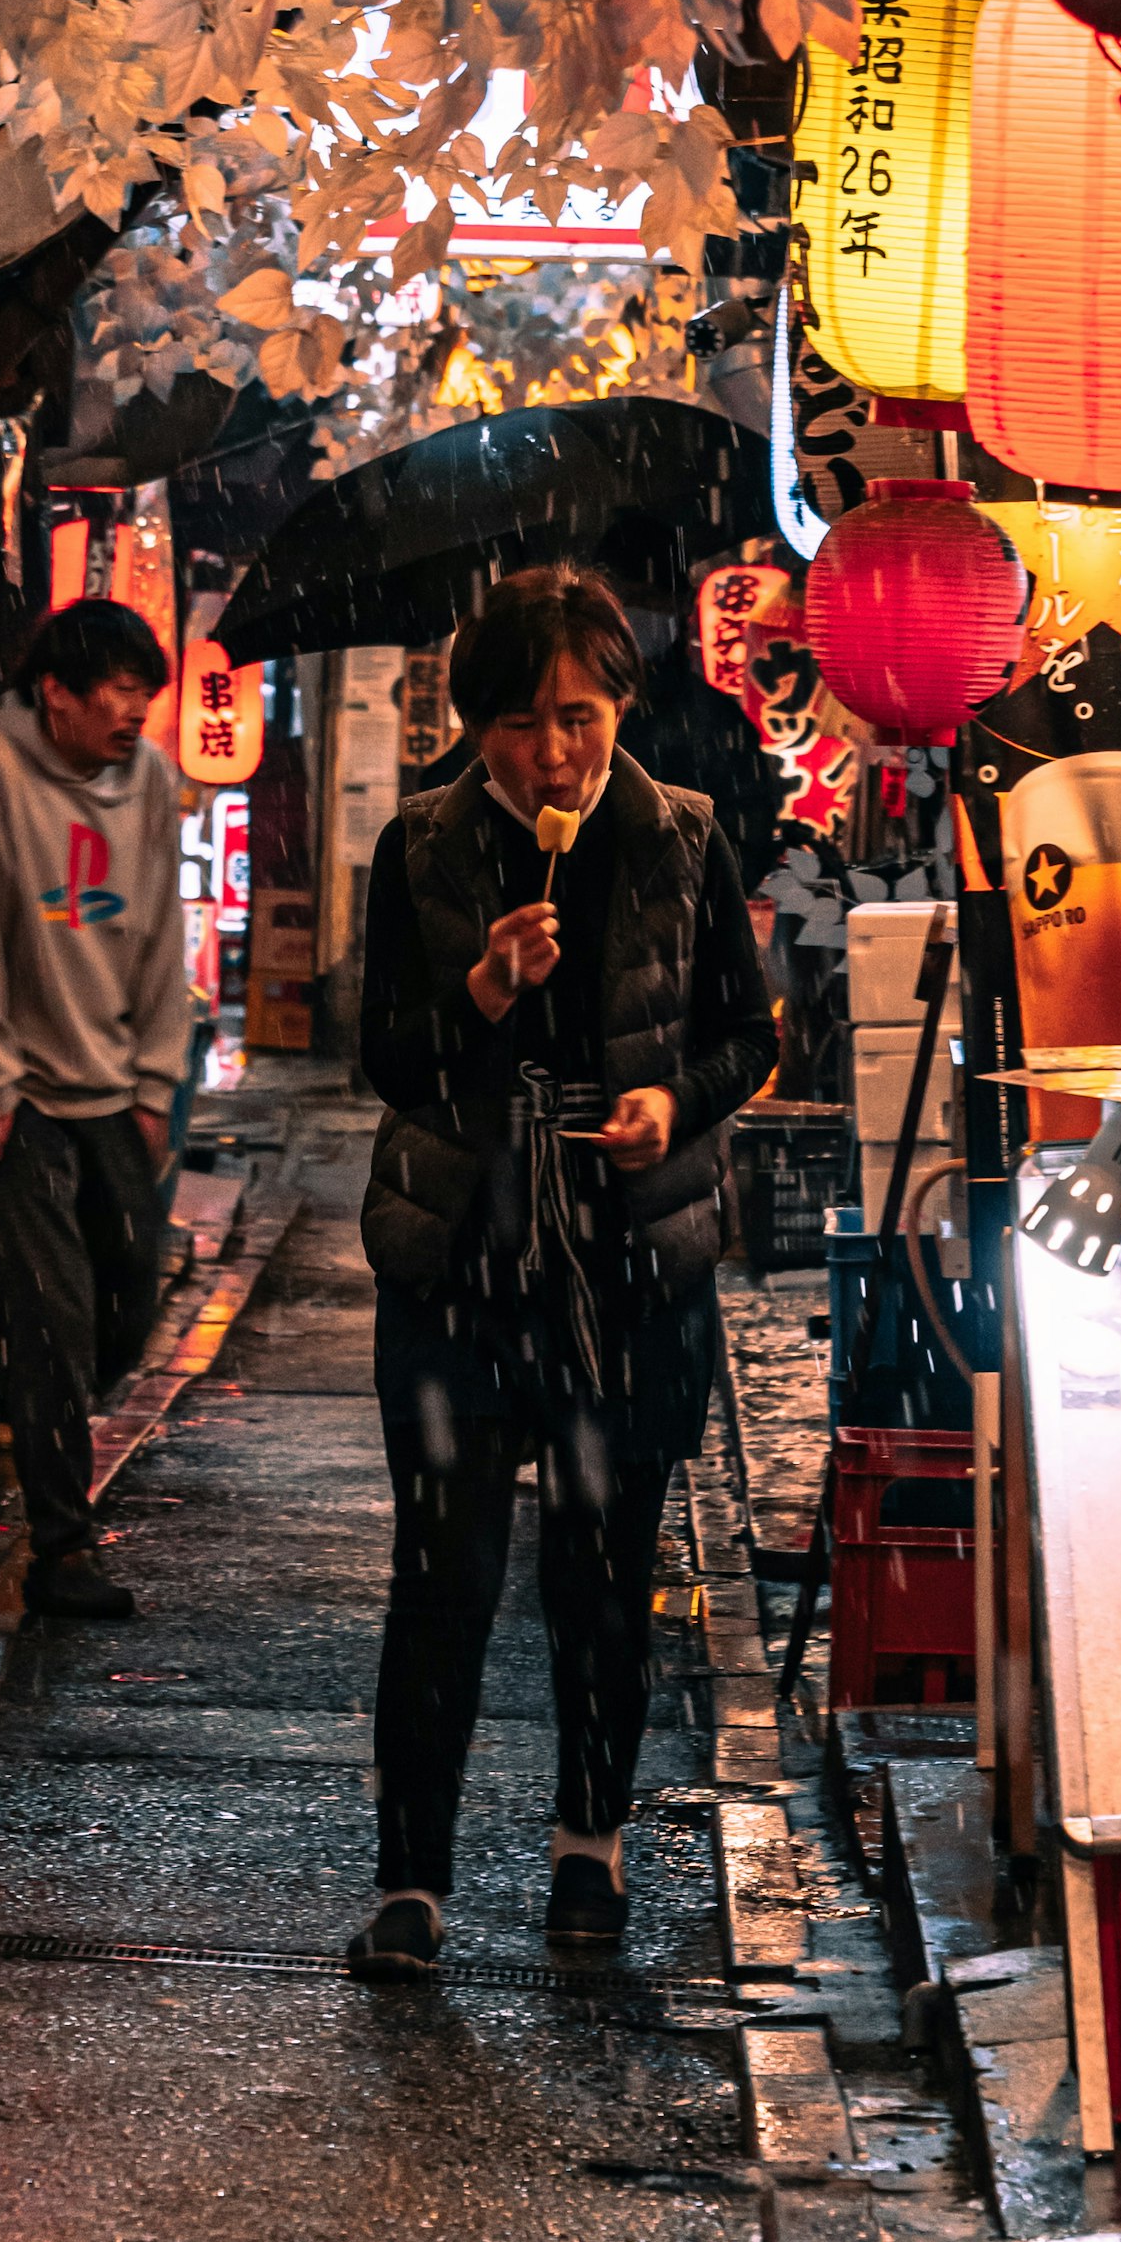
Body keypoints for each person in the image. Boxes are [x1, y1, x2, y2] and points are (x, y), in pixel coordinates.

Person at [345, 562, 776, 1978]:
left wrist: (674, 1108)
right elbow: (385, 1060)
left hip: (627, 1259)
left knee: (603, 1573)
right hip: (460, 1261)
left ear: (620, 707)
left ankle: (588, 1847)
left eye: (581, 714)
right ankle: (413, 1881)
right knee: (443, 1571)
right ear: (475, 725)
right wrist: (478, 991)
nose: (556, 750)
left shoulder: (682, 838)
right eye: (524, 721)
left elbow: (744, 1035)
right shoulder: (421, 848)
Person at [0, 594, 186, 1619]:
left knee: (124, 1308)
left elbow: (162, 928)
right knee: (55, 1316)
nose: (135, 717)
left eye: (144, 699)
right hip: (13, 1097)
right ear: (57, 694)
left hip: (109, 1091)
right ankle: (64, 1553)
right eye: (118, 694)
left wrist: (158, 1081)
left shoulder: (149, 780)